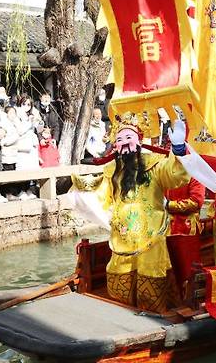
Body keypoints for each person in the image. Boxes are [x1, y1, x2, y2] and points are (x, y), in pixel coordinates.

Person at [71, 112, 191, 312]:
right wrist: (85, 189)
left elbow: (175, 176)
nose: (124, 143)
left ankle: (154, 317)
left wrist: (178, 150)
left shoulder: (155, 164)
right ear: (115, 146)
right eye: (119, 139)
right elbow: (101, 197)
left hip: (151, 235)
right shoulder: (112, 170)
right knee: (120, 279)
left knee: (151, 279)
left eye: (129, 137)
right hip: (122, 236)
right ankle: (121, 313)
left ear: (139, 140)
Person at [164, 178, 205, 297]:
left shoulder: (194, 175)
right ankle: (176, 298)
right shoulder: (167, 172)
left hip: (187, 229)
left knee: (188, 268)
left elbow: (196, 201)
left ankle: (191, 299)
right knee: (172, 267)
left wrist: (169, 204)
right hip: (168, 227)